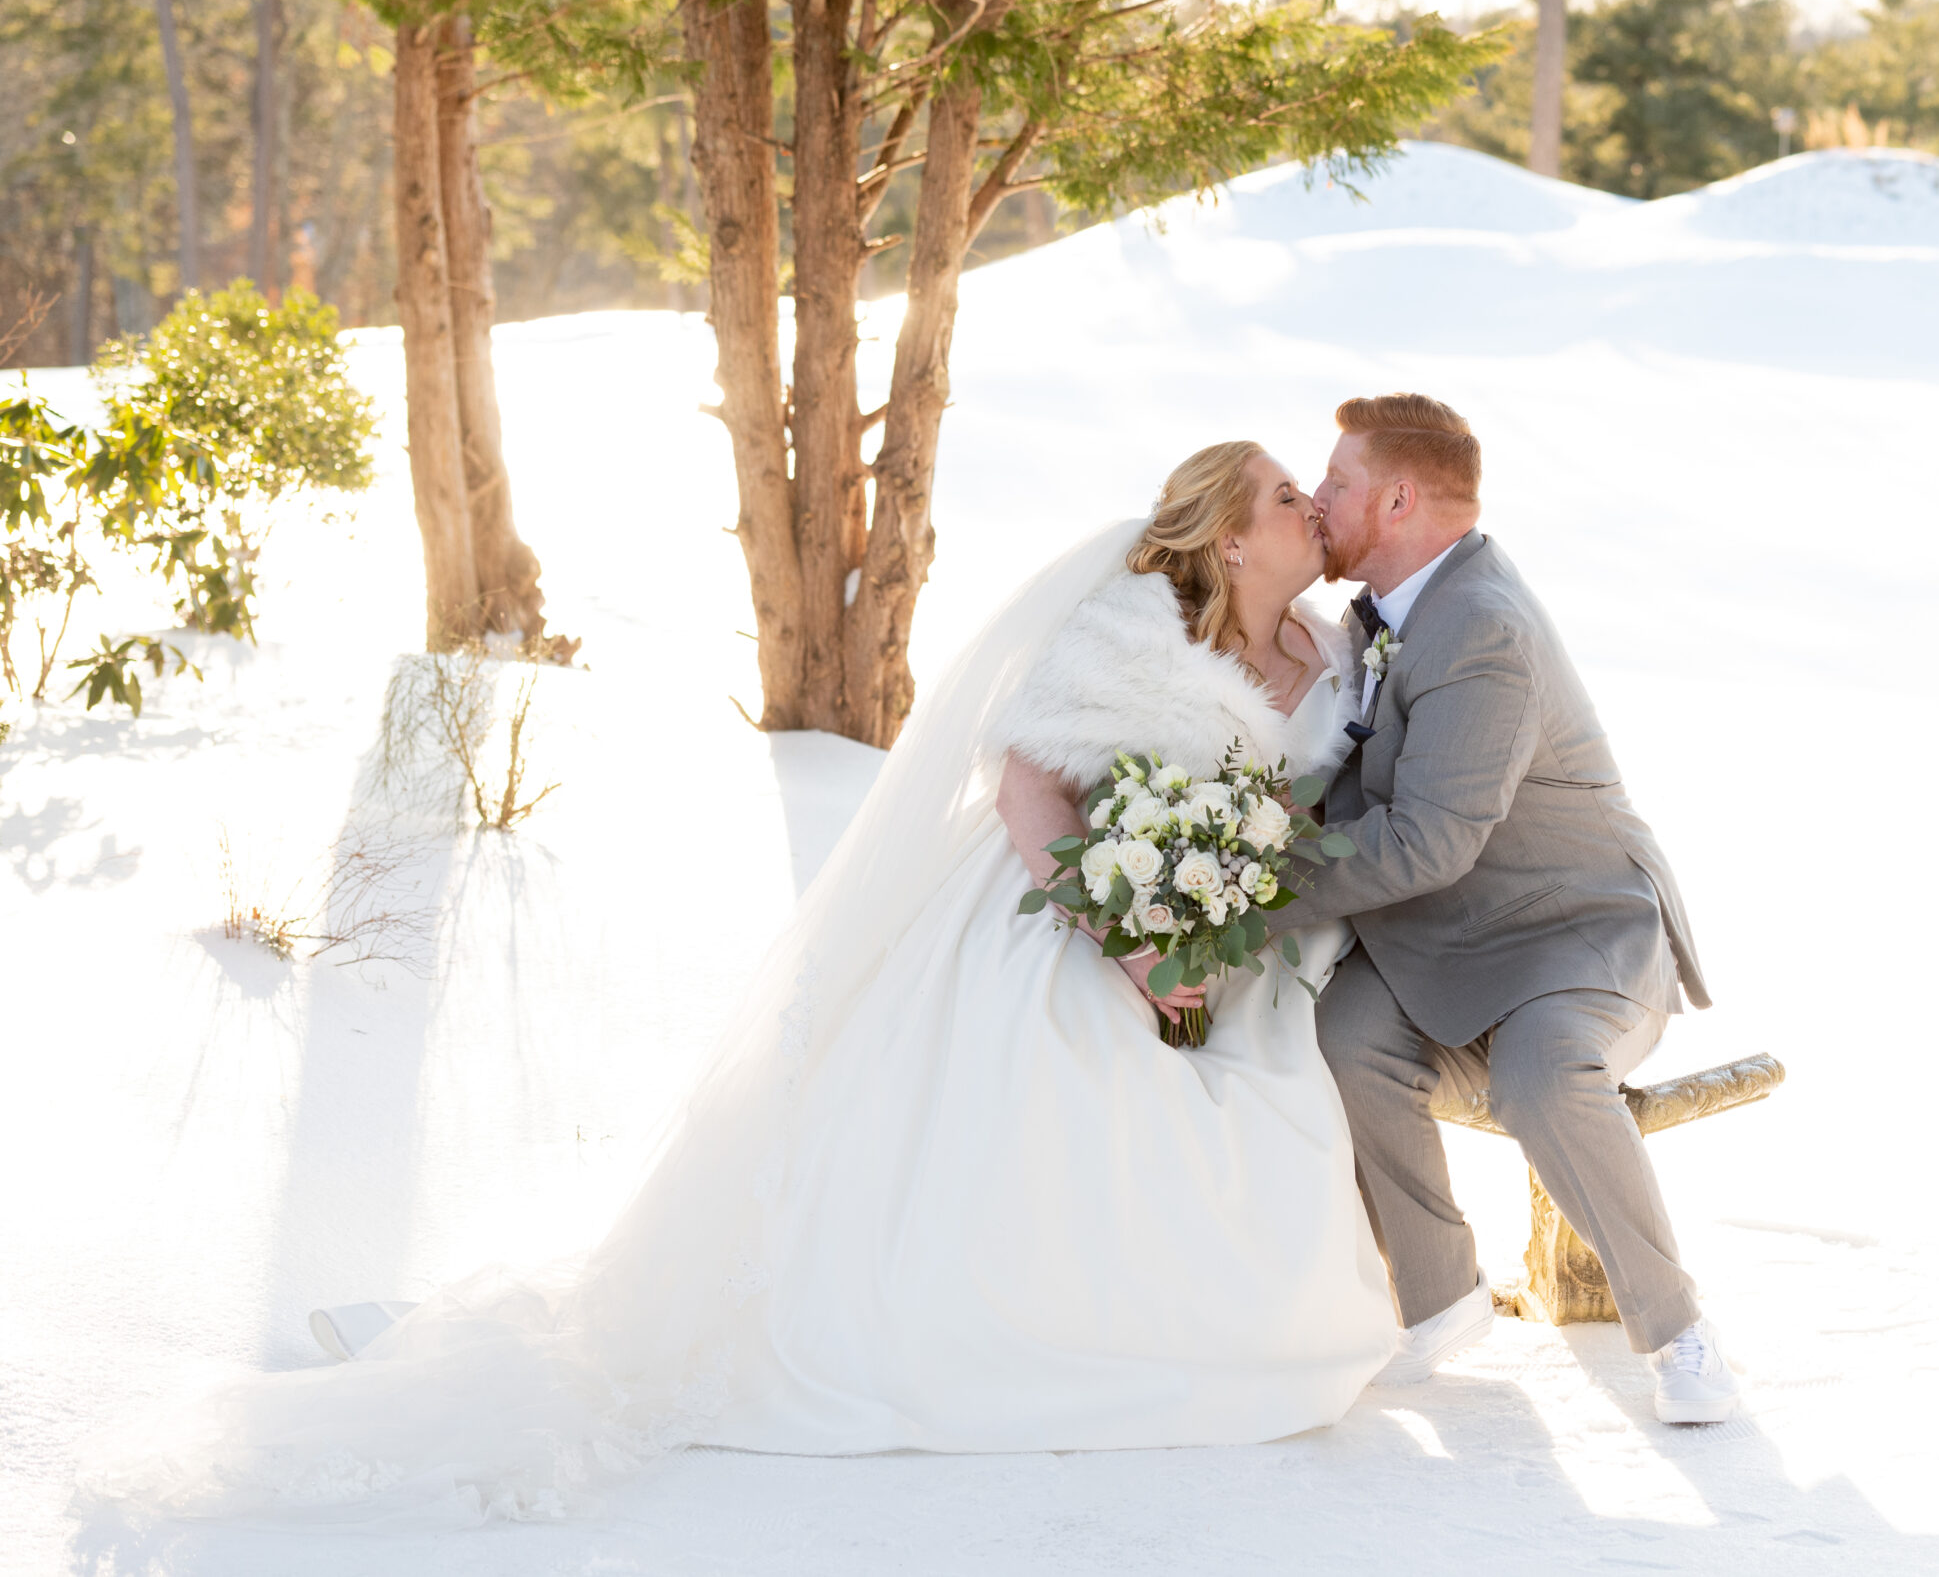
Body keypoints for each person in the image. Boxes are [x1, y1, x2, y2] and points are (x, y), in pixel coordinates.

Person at [79, 442, 1394, 1526]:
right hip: (1054, 914)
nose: (1306, 509)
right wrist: (1131, 941)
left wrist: (1204, 925)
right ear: (1229, 539)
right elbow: (1032, 791)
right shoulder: (1128, 630)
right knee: (1037, 1101)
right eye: (1286, 493)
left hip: (1225, 946)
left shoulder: (1330, 655)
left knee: (1257, 1120)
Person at [1276, 392, 1740, 1426]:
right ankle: (1439, 1296)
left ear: (1398, 500)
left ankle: (1678, 1330)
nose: (1317, 498)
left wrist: (1247, 893)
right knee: (1342, 1036)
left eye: (1338, 482)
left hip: (1575, 930)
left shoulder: (1482, 627)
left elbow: (1429, 836)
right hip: (1440, 935)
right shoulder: (1387, 613)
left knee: (1543, 1073)